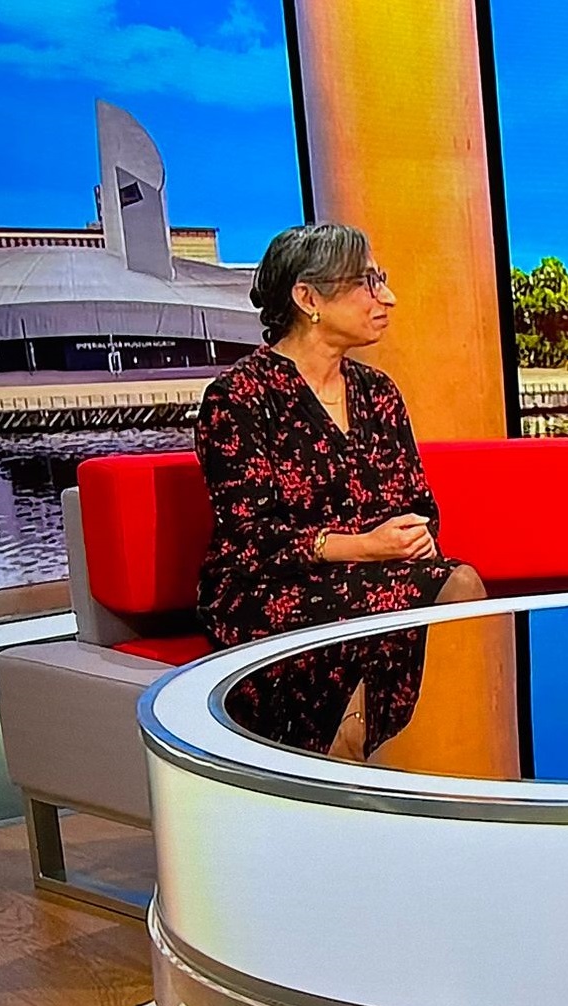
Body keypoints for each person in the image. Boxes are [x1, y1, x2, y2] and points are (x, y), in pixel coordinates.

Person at [195, 223, 486, 760]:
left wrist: (414, 537)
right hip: (267, 590)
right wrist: (363, 547)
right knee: (408, 601)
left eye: (382, 280)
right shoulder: (238, 397)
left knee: (457, 584)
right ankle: (342, 756)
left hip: (372, 576)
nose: (387, 298)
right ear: (308, 298)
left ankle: (361, 754)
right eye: (366, 283)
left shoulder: (378, 393)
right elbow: (249, 538)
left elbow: (417, 503)